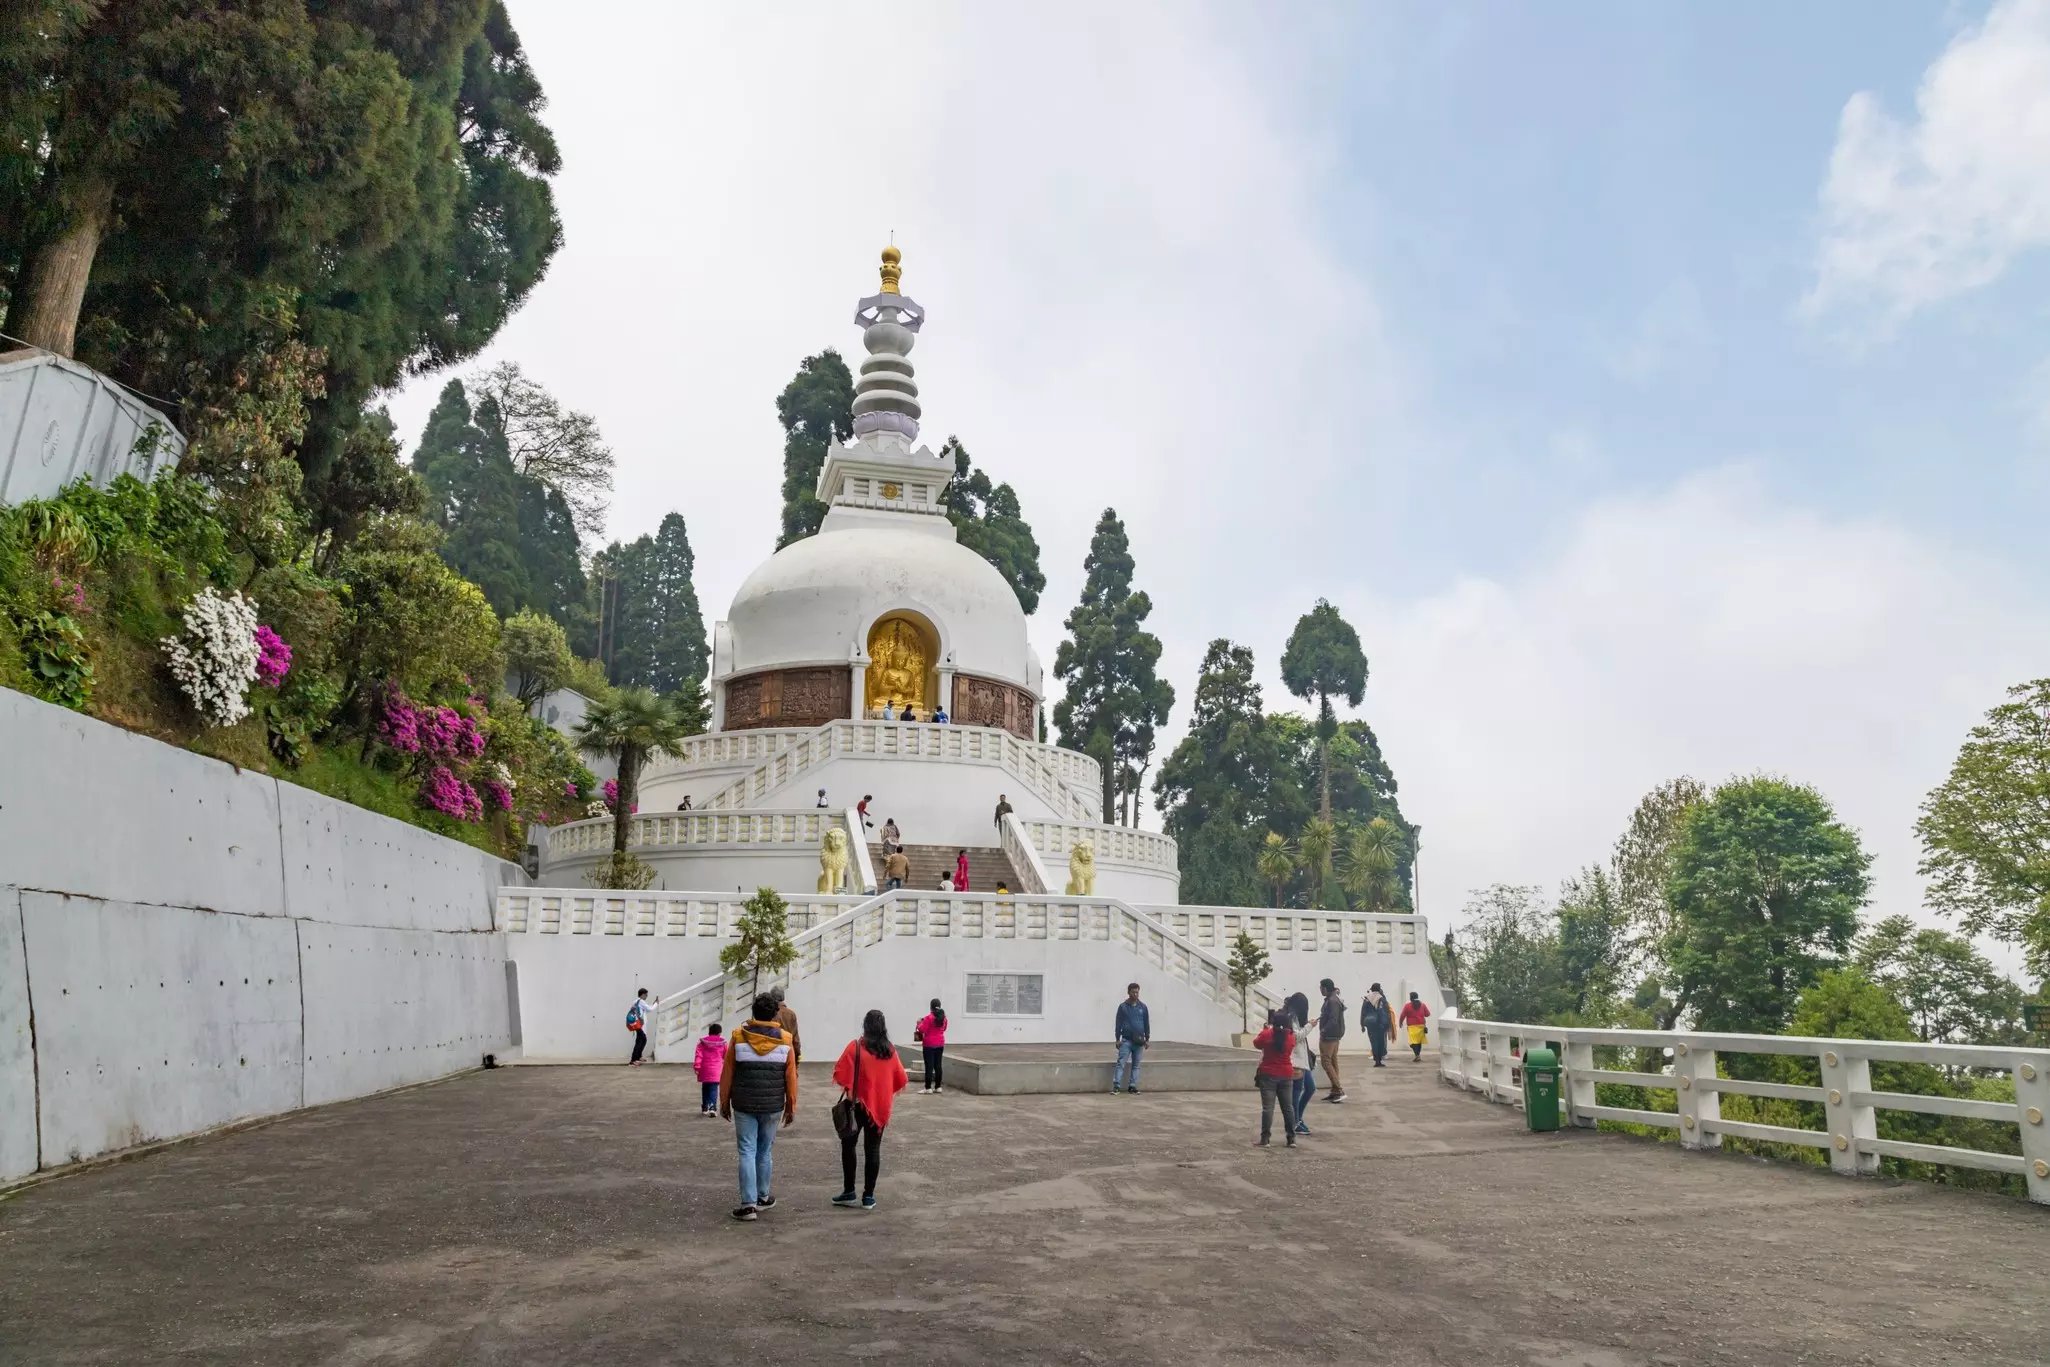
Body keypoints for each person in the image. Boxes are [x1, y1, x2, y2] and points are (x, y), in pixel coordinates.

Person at [719, 993, 797, 1221]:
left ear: (753, 1013)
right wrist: (791, 1106)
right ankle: (763, 1197)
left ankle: (748, 1205)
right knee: (764, 1151)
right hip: (772, 1105)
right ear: (775, 1014)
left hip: (743, 1104)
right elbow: (791, 1078)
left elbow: (727, 1072)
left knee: (746, 1151)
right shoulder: (785, 1040)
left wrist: (724, 1102)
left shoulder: (739, 1037)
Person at [831, 1009, 910, 1211]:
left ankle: (849, 1192)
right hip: (879, 1108)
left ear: (865, 1026)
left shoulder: (855, 1047)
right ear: (883, 1027)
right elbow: (900, 1077)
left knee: (849, 1147)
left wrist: (853, 1088)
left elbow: (840, 1072)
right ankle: (868, 1197)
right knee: (872, 1150)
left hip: (854, 1106)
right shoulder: (889, 1051)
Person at [1252, 1007, 1299, 1147]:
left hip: (1268, 1074)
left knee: (1268, 1108)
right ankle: (1291, 1138)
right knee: (1288, 1108)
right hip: (1286, 1074)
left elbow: (1256, 1043)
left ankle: (1265, 1139)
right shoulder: (1291, 1036)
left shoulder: (1267, 1034)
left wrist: (1266, 1029)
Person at [1286, 990, 1318, 1136]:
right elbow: (1295, 1037)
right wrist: (1309, 1026)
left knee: (1310, 1087)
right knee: (1296, 1091)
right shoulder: (1290, 1018)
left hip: (1302, 1060)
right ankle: (1295, 1122)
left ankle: (1297, 1119)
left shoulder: (1296, 1018)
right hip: (1295, 1061)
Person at [1112, 982, 1150, 1094]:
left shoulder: (1143, 1007)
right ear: (1128, 992)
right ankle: (1116, 1086)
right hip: (1126, 1040)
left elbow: (1146, 1023)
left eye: (1137, 992)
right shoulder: (1123, 1007)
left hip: (1139, 1041)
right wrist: (1117, 1039)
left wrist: (1147, 1039)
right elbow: (1118, 1023)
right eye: (1133, 992)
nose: (1135, 994)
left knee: (1136, 1065)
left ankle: (1132, 1086)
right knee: (1121, 1063)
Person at [1317, 979, 1348, 1102]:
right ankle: (1335, 1090)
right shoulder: (1333, 999)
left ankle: (1338, 1090)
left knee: (1326, 1062)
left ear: (1325, 988)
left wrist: (1324, 1030)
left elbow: (1333, 1019)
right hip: (1334, 1035)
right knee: (1333, 1062)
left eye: (1321, 988)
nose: (1320, 990)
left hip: (1330, 1036)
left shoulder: (1332, 1001)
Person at [914, 997, 948, 1093]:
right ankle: (938, 1087)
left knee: (929, 1066)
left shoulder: (929, 1018)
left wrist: (919, 1023)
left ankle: (928, 1088)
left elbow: (922, 1030)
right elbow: (944, 1028)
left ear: (931, 1007)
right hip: (940, 1044)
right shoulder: (944, 1017)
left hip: (929, 1045)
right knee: (938, 1065)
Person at [693, 1022, 727, 1115]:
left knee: (705, 1087)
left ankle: (704, 1107)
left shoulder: (702, 1043)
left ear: (709, 1032)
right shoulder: (722, 1043)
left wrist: (697, 1066)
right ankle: (713, 1107)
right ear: (719, 1033)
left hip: (704, 1068)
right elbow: (726, 1056)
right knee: (713, 1088)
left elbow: (698, 1055)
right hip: (716, 1069)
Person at [1361, 982, 1393, 1067]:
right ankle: (1379, 1060)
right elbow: (1387, 1011)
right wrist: (1389, 1024)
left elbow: (1363, 1012)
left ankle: (1376, 1060)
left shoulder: (1367, 999)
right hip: (1380, 1023)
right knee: (1381, 1041)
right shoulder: (1382, 998)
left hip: (1370, 1023)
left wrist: (1362, 1025)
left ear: (1371, 989)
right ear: (1379, 989)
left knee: (1373, 1041)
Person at [770, 984, 801, 1062]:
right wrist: (797, 1056)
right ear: (783, 997)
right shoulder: (791, 1014)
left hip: (772, 1053)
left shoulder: (769, 1013)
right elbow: (795, 1039)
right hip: (788, 1053)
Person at [1398, 991, 1431, 1061]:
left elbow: (1403, 1015)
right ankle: (1418, 1055)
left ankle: (1417, 1055)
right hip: (1421, 1025)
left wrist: (1400, 1022)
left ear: (1411, 998)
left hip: (1412, 1026)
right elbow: (1428, 1014)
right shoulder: (1422, 1005)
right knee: (1418, 1042)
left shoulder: (1407, 1006)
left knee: (1413, 1042)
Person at [626, 988, 654, 1065]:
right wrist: (656, 1003)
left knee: (642, 1040)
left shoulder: (635, 1002)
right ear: (642, 994)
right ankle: (633, 1060)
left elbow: (645, 1010)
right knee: (640, 1041)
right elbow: (650, 1009)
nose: (647, 996)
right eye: (646, 995)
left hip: (638, 1024)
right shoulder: (641, 1001)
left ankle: (638, 1057)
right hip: (639, 1025)